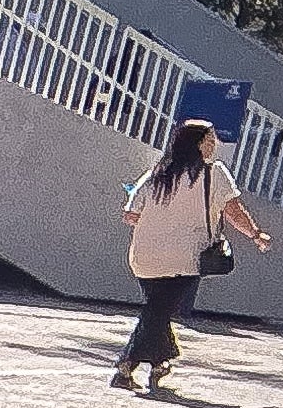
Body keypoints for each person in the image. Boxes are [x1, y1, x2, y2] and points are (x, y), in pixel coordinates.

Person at [115, 117, 272, 393]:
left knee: (158, 307)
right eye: (210, 140)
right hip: (185, 257)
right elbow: (234, 212)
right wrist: (256, 234)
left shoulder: (158, 173)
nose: (215, 146)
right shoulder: (215, 174)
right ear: (197, 145)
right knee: (158, 310)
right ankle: (126, 364)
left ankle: (160, 361)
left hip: (145, 254)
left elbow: (130, 214)